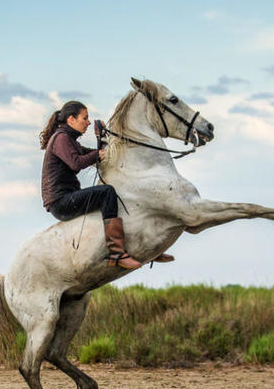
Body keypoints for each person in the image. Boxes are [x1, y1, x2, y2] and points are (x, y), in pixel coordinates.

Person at [40, 101, 174, 270]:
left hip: (67, 199)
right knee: (107, 192)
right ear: (71, 120)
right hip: (61, 202)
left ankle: (144, 248)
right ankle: (116, 254)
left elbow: (91, 154)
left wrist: (101, 139)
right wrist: (98, 153)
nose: (88, 122)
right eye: (85, 118)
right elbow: (76, 163)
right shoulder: (61, 138)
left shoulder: (69, 140)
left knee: (117, 198)